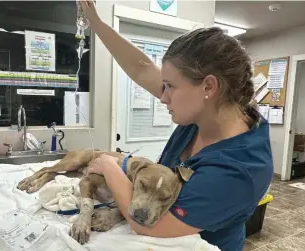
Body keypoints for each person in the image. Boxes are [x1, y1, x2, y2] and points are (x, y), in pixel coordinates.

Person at [79, 1, 273, 250]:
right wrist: (96, 23)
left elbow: (151, 224)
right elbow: (142, 69)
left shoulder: (240, 169)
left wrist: (108, 165)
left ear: (209, 87)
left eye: (170, 86)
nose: (162, 96)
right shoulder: (210, 110)